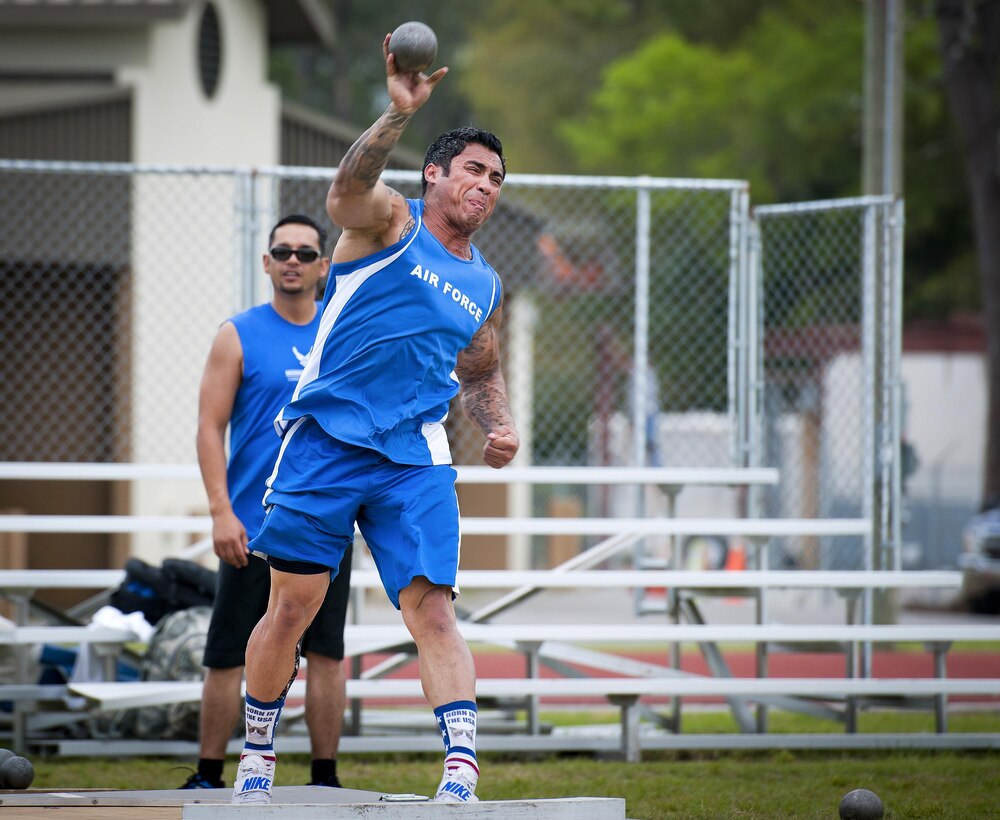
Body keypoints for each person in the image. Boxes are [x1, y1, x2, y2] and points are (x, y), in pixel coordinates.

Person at [231, 35, 518, 806]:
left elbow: (481, 365)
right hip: (324, 440)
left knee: (433, 609)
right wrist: (395, 114)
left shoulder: (484, 285)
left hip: (413, 457)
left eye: (495, 179)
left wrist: (500, 423)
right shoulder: (389, 224)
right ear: (435, 174)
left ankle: (460, 774)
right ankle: (257, 751)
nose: (485, 187)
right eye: (472, 171)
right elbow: (341, 198)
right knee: (292, 607)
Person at [183, 214, 353, 791]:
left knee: (326, 652)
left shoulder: (340, 333)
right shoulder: (238, 334)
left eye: (306, 253)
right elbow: (210, 428)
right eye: (282, 251)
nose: (293, 261)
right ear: (266, 261)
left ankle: (324, 778)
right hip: (252, 527)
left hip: (324, 522)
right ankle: (210, 774)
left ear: (323, 266)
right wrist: (220, 511)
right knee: (229, 652)